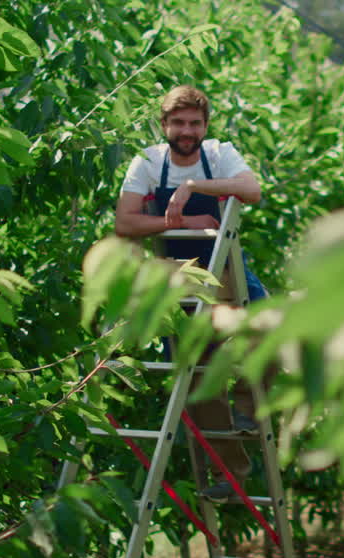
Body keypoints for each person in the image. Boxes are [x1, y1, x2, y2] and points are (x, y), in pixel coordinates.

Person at [114, 85, 265, 501]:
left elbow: (251, 190)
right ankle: (231, 475)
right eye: (178, 122)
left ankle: (251, 409)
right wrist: (179, 222)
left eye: (195, 123)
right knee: (200, 377)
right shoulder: (148, 162)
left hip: (226, 265)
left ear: (205, 126)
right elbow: (125, 223)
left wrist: (195, 187)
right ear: (164, 125)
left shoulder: (219, 154)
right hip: (179, 276)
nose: (187, 130)